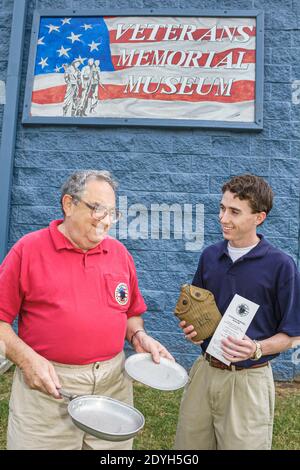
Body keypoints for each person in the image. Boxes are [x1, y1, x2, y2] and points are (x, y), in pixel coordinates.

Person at [0, 170, 173, 450]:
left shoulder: (119, 254)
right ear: (69, 204)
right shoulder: (27, 250)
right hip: (49, 388)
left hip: (112, 386)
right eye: (97, 209)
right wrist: (26, 359)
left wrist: (139, 336)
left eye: (112, 212)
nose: (105, 220)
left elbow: (130, 314)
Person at [174, 174, 300, 450]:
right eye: (222, 208)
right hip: (204, 373)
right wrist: (193, 331)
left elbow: (292, 335)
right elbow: (197, 312)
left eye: (234, 212)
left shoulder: (281, 265)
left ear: (259, 217)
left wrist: (255, 348)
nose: (223, 218)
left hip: (248, 380)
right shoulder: (209, 256)